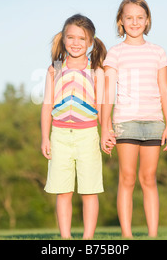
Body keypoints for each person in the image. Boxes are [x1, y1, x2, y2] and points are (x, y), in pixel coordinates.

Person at [101, 0, 167, 238]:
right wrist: (105, 127)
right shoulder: (115, 53)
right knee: (127, 178)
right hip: (125, 122)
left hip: (154, 122)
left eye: (139, 18)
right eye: (129, 18)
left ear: (147, 20)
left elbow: (164, 89)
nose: (134, 22)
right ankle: (127, 235)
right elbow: (108, 92)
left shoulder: (158, 52)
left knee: (148, 179)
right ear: (121, 21)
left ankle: (153, 235)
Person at [40, 14, 110, 239]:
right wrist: (45, 138)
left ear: (90, 41)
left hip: (88, 135)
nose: (76, 43)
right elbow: (46, 106)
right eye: (71, 37)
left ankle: (87, 239)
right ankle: (66, 238)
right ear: (63, 40)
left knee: (90, 191)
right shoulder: (55, 69)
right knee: (63, 191)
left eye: (82, 38)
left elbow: (102, 106)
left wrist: (105, 132)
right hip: (59, 136)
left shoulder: (96, 70)